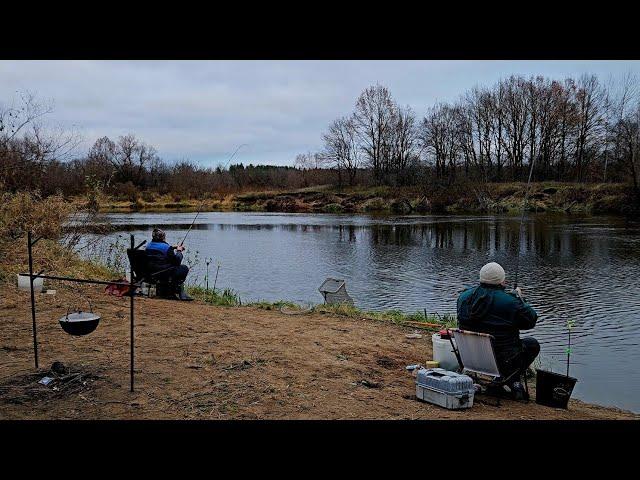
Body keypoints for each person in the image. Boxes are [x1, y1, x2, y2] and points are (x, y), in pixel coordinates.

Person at [456, 262, 539, 400]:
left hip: (469, 358)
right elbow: (530, 321)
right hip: (501, 360)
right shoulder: (511, 302)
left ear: (481, 277)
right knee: (532, 344)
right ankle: (510, 380)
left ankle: (504, 382)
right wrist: (520, 299)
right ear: (501, 280)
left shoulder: (463, 297)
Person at [145, 228, 193, 301]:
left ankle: (166, 291)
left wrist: (172, 247)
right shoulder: (166, 248)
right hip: (164, 272)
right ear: (163, 237)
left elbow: (161, 250)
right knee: (184, 268)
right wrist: (179, 251)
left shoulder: (148, 246)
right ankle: (175, 290)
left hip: (151, 272)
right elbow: (177, 261)